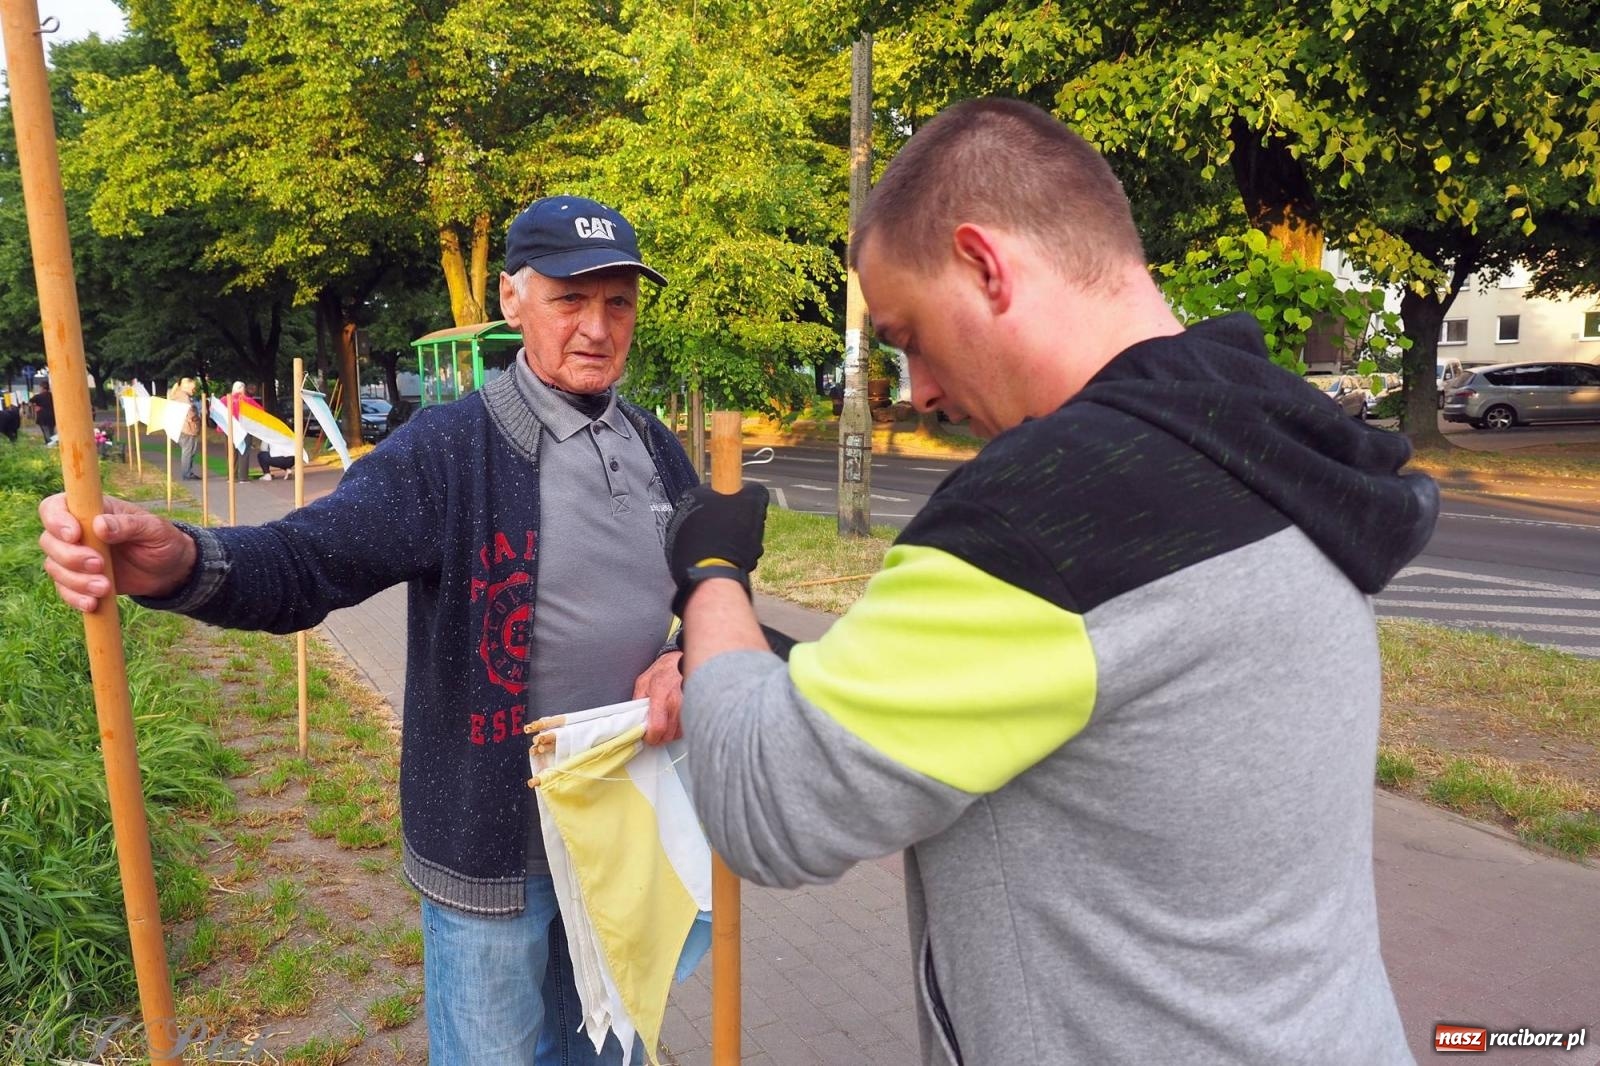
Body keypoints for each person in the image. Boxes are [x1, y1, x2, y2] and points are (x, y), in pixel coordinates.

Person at [662, 99, 1434, 1065]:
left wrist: (711, 572)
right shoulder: (1263, 450)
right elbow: (1103, 691)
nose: (916, 392)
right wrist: (780, 672)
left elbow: (768, 809)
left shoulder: (1047, 515)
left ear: (986, 267)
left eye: (907, 334)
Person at [39, 195, 693, 1065]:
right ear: (511, 300)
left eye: (617, 303)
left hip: (620, 837)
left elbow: (714, 586)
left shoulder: (655, 445)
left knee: (606, 1054)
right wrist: (183, 561)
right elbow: (310, 560)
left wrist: (691, 652)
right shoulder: (449, 449)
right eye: (570, 300)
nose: (597, 327)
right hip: (490, 846)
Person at [225, 382, 264, 481]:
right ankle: (243, 477)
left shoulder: (224, 400)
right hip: (244, 430)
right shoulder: (247, 400)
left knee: (231, 453)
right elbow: (260, 412)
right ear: (242, 389)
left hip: (229, 430)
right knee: (243, 453)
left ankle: (231, 476)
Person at [172, 377, 202, 479]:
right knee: (188, 451)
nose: (194, 390)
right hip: (187, 428)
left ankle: (187, 472)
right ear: (186, 386)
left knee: (188, 451)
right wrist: (198, 417)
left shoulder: (177, 395)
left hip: (182, 427)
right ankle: (187, 474)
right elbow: (190, 413)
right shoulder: (183, 397)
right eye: (193, 388)